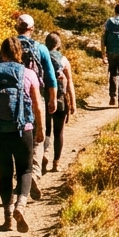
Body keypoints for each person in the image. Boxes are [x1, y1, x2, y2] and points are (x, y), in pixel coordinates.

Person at [0, 36, 44, 233]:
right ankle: (20, 206)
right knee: (24, 170)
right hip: (23, 130)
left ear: (2, 52)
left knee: (5, 173)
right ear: (20, 53)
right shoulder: (28, 74)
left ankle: (7, 217)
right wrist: (40, 129)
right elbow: (37, 106)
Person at [15, 14, 58, 198]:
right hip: (35, 98)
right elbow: (50, 77)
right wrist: (52, 99)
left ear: (17, 28)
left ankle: (20, 177)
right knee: (37, 136)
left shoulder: (9, 45)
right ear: (31, 29)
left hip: (13, 99)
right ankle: (33, 173)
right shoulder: (40, 48)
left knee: (17, 137)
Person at [43, 32, 76, 174]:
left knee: (46, 130)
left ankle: (43, 154)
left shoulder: (41, 58)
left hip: (44, 98)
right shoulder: (63, 60)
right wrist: (73, 102)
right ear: (58, 44)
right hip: (60, 99)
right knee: (59, 131)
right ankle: (56, 163)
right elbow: (69, 83)